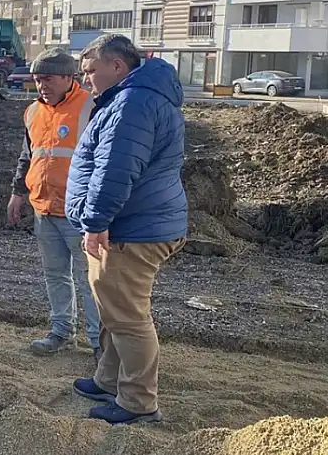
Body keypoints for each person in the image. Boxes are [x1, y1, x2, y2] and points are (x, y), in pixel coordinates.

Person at [65, 34, 188, 425]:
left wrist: (96, 222)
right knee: (114, 311)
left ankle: (137, 403)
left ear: (117, 66)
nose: (86, 80)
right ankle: (109, 379)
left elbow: (116, 170)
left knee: (128, 317)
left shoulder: (132, 102)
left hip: (131, 228)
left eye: (90, 71)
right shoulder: (136, 97)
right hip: (136, 222)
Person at [7, 48, 101, 359]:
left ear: (67, 77)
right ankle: (62, 331)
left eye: (47, 79)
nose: (41, 86)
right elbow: (28, 156)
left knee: (92, 280)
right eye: (37, 80)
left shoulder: (91, 106)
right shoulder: (33, 111)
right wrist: (18, 192)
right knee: (55, 274)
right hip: (44, 209)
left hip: (79, 211)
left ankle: (100, 344)